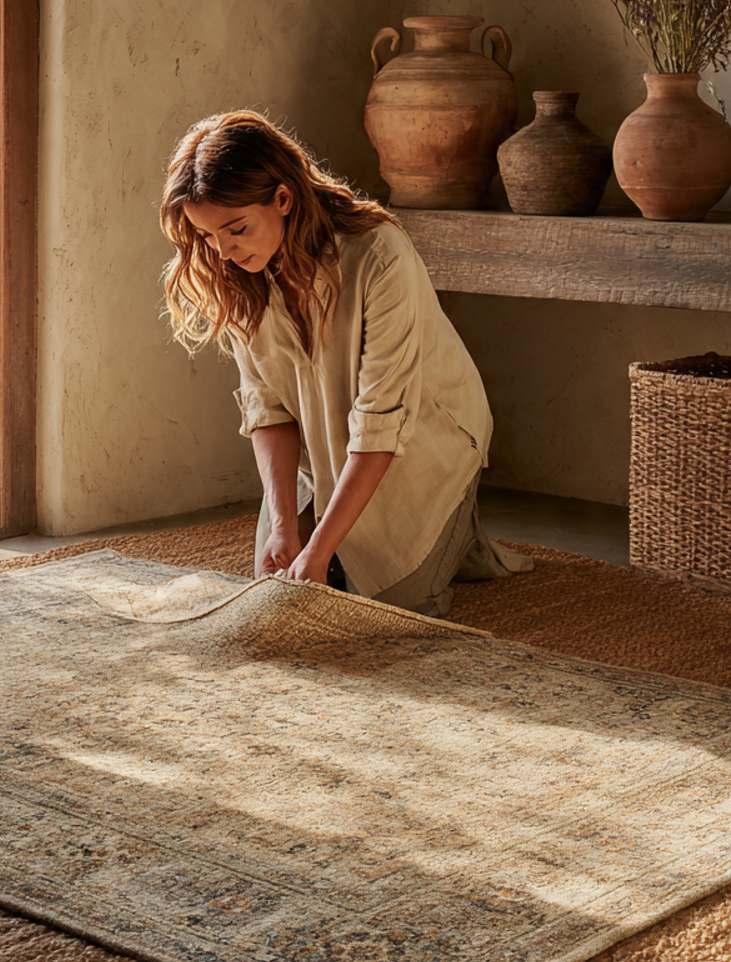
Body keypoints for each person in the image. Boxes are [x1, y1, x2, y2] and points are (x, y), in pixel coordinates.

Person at [160, 110, 531, 617]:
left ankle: (457, 529)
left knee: (383, 610)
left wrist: (319, 550)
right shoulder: (237, 273)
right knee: (276, 590)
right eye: (206, 237)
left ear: (283, 199)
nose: (222, 252)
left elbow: (382, 423)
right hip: (324, 451)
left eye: (236, 229)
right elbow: (267, 410)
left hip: (419, 443)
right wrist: (287, 525)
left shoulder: (380, 255)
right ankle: (367, 537)